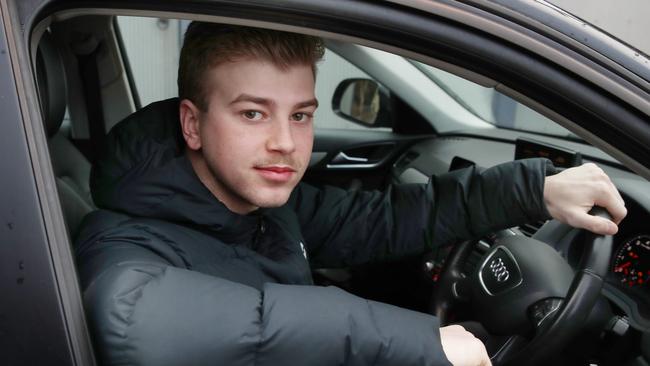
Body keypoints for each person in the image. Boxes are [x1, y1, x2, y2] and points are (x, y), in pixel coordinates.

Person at [76, 22, 626, 366]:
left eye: (301, 115)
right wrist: (416, 344)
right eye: (252, 113)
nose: (285, 143)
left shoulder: (260, 207)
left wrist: (533, 189)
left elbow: (385, 219)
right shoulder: (127, 230)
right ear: (192, 125)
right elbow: (132, 318)